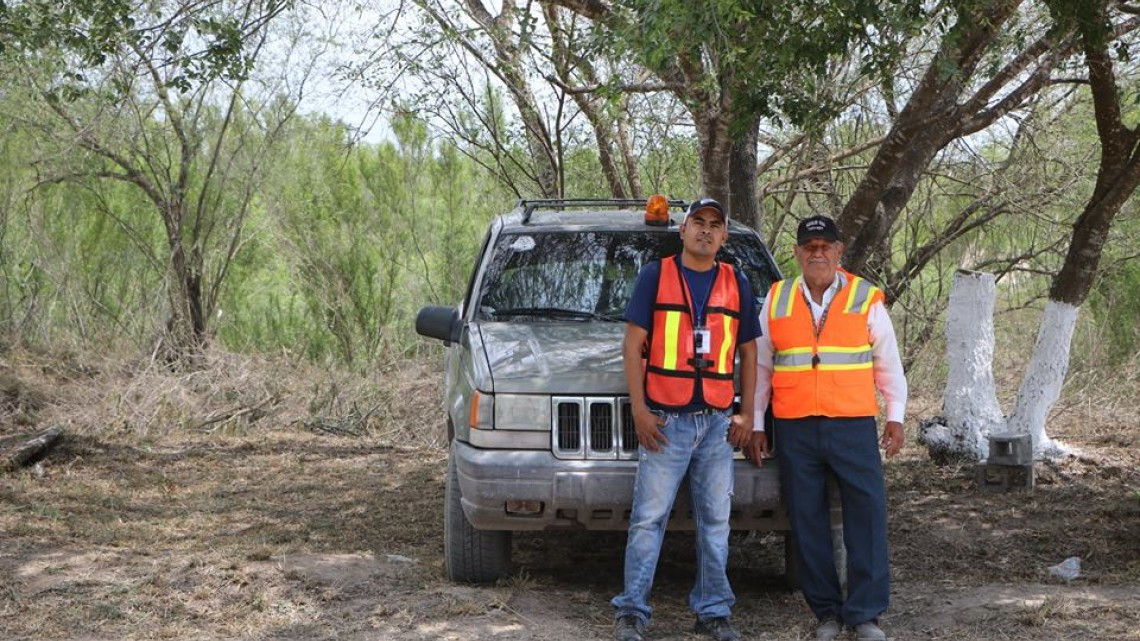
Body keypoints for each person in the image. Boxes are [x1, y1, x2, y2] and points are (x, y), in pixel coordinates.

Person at [746, 215, 906, 641]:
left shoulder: (864, 297)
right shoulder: (777, 298)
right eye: (809, 246)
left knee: (866, 517)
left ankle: (865, 615)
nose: (818, 253)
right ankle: (827, 615)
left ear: (839, 251)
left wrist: (896, 415)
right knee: (808, 521)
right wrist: (758, 423)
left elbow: (887, 362)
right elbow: (761, 368)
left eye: (825, 245)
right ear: (798, 253)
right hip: (796, 427)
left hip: (853, 425)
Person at [611, 198, 760, 641]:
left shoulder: (737, 282)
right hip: (666, 422)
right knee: (647, 520)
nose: (706, 231)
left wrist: (747, 411)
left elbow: (750, 353)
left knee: (716, 521)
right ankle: (632, 611)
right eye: (699, 222)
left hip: (717, 423)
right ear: (683, 230)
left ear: (724, 237)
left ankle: (713, 611)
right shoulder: (656, 276)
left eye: (716, 225)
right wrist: (639, 409)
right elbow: (632, 346)